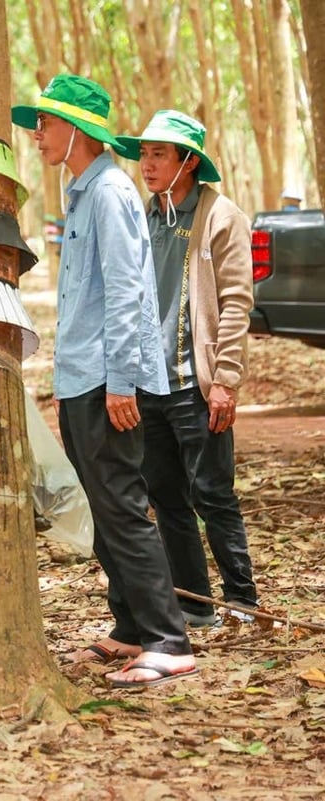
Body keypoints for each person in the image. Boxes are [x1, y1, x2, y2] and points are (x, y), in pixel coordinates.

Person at [12, 74, 197, 688]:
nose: (37, 135)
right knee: (99, 504)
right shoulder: (80, 191)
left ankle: (169, 639)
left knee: (121, 505)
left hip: (107, 380)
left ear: (77, 131)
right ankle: (131, 627)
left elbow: (126, 292)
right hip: (79, 377)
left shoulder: (112, 189)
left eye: (46, 124)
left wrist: (122, 381)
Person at [117, 110, 258, 627]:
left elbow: (238, 302)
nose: (146, 165)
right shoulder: (142, 216)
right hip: (148, 383)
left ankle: (242, 601)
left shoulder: (221, 217)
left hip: (196, 386)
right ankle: (197, 606)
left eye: (159, 155)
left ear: (189, 161)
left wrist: (225, 380)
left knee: (213, 494)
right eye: (144, 154)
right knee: (166, 497)